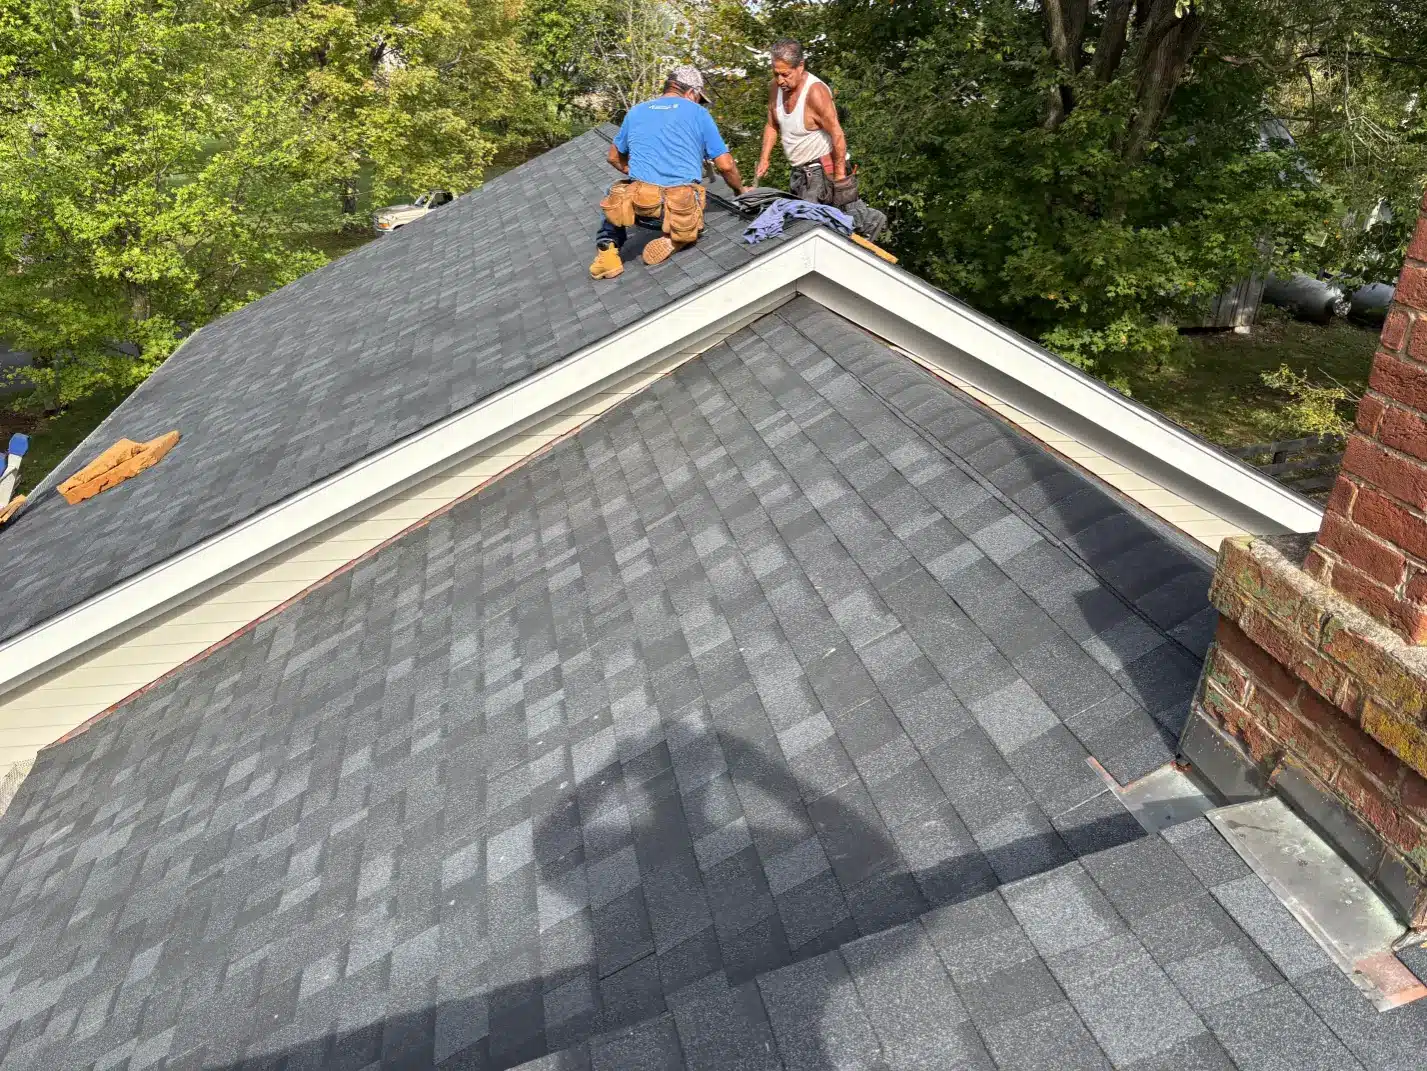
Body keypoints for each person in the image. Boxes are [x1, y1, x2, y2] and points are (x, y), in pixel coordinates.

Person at [590, 66, 746, 280]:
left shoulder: (636, 111)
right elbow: (726, 165)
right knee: (690, 203)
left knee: (615, 191)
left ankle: (607, 253)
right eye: (699, 98)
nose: (699, 103)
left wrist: (635, 175)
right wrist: (740, 191)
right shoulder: (698, 113)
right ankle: (679, 236)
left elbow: (613, 157)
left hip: (641, 210)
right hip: (676, 211)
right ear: (692, 92)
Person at [754, 38, 886, 242]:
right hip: (800, 172)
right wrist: (765, 158)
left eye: (785, 74)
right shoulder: (775, 88)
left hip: (822, 171)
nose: (780, 80)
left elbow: (837, 134)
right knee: (819, 226)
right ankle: (862, 223)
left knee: (808, 229)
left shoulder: (816, 93)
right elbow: (772, 125)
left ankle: (871, 221)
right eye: (776, 73)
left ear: (800, 66)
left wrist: (840, 179)